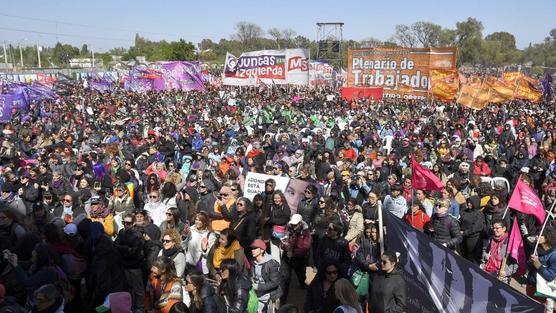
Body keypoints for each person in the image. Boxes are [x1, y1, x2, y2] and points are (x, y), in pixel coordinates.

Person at [113, 212, 145, 312]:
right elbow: (115, 245)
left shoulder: (138, 235)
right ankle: (130, 308)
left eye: (129, 223)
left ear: (134, 223)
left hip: (134, 267)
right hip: (124, 265)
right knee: (128, 289)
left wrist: (123, 249)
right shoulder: (122, 232)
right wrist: (127, 249)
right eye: (124, 222)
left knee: (138, 290)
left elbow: (134, 252)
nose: (126, 225)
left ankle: (139, 308)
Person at [281, 213, 311, 302]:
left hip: (299, 258)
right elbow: (285, 237)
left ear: (300, 223)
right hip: (287, 256)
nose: (293, 226)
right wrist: (283, 245)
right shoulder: (289, 227)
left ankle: (302, 283)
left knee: (301, 274)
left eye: (295, 225)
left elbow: (305, 247)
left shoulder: (306, 232)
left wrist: (293, 252)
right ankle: (283, 298)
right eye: (292, 224)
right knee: (285, 277)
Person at [527, 227, 556, 311]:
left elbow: (550, 276)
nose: (537, 237)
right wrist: (530, 261)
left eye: (540, 235)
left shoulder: (554, 255)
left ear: (547, 237)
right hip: (531, 287)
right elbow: (528, 266)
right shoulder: (536, 248)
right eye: (537, 234)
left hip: (542, 292)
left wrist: (538, 264)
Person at [480, 218, 517, 284]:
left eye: (497, 228)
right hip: (487, 270)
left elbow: (516, 263)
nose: (494, 230)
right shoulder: (491, 239)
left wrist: (506, 272)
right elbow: (484, 250)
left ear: (504, 229)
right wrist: (485, 255)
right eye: (493, 228)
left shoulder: (510, 243)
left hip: (501, 277)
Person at [250, 239, 283, 313]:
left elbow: (275, 283)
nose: (253, 250)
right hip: (256, 294)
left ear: (262, 250)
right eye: (252, 248)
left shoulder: (271, 264)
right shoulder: (253, 262)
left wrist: (258, 287)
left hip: (269, 296)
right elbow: (252, 276)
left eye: (255, 248)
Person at [460, 195, 486, 264]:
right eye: (468, 202)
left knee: (473, 259)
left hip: (473, 240)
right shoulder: (466, 211)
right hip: (463, 238)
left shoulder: (479, 214)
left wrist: (465, 232)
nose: (468, 204)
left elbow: (476, 227)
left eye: (471, 203)